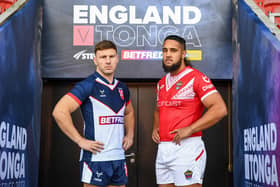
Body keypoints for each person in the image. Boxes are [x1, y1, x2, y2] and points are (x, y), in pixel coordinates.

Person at [52, 40, 135, 187]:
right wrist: (79, 140)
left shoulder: (122, 88)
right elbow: (59, 111)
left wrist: (130, 134)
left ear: (117, 58)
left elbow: (128, 113)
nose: (108, 61)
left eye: (111, 56)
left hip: (118, 158)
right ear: (95, 60)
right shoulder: (88, 85)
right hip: (96, 159)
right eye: (103, 57)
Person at [152, 35, 227, 187]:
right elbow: (158, 109)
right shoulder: (161, 83)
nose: (168, 54)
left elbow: (220, 109)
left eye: (173, 50)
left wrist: (190, 128)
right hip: (164, 149)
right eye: (165, 50)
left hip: (187, 148)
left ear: (183, 54)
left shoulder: (196, 77)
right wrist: (155, 127)